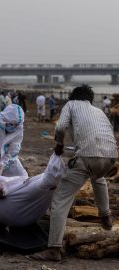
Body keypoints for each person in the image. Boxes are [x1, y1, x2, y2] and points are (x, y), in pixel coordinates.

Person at [30, 84, 118, 261]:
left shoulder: (70, 105)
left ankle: (53, 249)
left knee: (60, 200)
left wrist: (59, 144)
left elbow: (60, 127)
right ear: (90, 98)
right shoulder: (99, 111)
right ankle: (105, 215)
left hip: (87, 155)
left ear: (73, 96)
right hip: (111, 157)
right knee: (98, 178)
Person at [0, 104, 28, 177]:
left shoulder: (19, 127)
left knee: (21, 177)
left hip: (6, 158)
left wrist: (3, 163)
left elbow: (14, 147)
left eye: (16, 125)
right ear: (4, 119)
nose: (14, 127)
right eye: (11, 124)